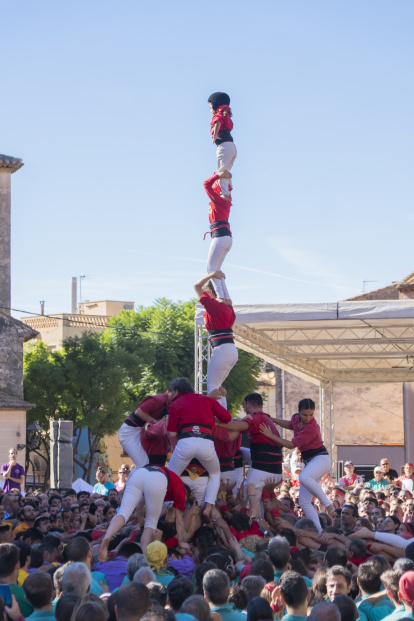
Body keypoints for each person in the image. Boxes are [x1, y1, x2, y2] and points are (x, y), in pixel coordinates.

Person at [260, 397, 334, 532]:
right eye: (305, 414)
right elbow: (289, 424)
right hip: (311, 462)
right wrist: (272, 419)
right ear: (299, 412)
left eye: (311, 414)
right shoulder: (295, 418)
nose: (308, 417)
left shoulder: (312, 428)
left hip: (321, 459)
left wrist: (270, 435)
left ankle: (328, 505)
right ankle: (319, 531)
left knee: (303, 478)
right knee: (304, 502)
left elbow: (290, 444)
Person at [167, 377, 231, 519]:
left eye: (171, 392)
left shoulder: (175, 404)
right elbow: (227, 417)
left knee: (170, 476)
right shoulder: (208, 400)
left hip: (185, 443)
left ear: (177, 391)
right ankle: (208, 506)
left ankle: (175, 505)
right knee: (215, 473)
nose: (169, 396)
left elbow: (171, 433)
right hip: (206, 443)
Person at [98, 462, 187, 558]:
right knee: (150, 525)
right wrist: (181, 542)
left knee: (123, 512)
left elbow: (140, 505)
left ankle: (107, 537)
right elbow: (179, 519)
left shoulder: (172, 479)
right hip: (158, 478)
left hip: (140, 473)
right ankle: (144, 557)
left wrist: (141, 523)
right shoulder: (182, 491)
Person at [217, 392, 283, 505]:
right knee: (264, 505)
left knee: (249, 506)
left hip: (262, 470)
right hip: (276, 472)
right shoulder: (268, 419)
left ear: (248, 406)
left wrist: (219, 424)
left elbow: (239, 427)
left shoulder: (255, 418)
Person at [194, 272, 238, 407]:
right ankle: (224, 417)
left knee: (213, 388)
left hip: (222, 349)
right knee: (218, 388)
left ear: (209, 291)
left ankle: (219, 420)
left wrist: (212, 274)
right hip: (231, 350)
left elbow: (196, 286)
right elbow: (226, 296)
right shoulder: (228, 307)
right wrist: (221, 280)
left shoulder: (214, 306)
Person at [203, 171, 233, 302]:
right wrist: (227, 179)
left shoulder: (218, 200)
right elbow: (227, 192)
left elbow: (206, 184)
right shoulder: (225, 201)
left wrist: (219, 176)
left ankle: (221, 297)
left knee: (211, 269)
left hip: (220, 237)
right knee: (217, 270)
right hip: (227, 238)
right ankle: (225, 297)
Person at [118, 391, 169, 468]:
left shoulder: (166, 404)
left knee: (144, 466)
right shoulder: (159, 400)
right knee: (145, 466)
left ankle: (132, 479)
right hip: (129, 433)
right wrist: (157, 422)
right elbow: (139, 412)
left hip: (137, 430)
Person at [208, 92, 237, 200]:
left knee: (221, 172)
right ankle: (228, 194)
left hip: (224, 147)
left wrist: (215, 135)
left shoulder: (218, 116)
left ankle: (225, 194)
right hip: (232, 147)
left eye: (211, 108)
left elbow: (217, 123)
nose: (210, 111)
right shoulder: (227, 115)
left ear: (216, 106)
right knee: (226, 172)